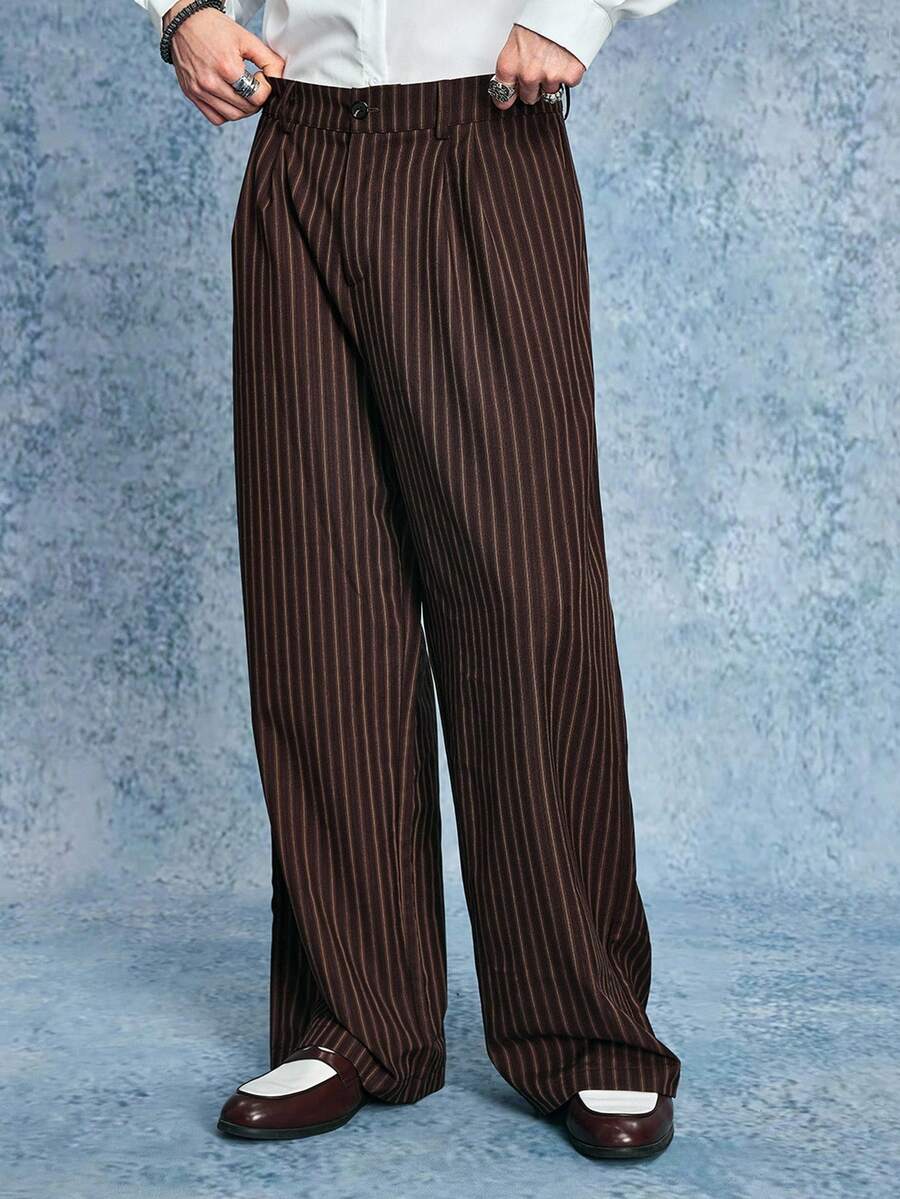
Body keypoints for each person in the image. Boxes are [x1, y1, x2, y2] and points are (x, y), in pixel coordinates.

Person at [133, 0, 683, 1161]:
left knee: (523, 598)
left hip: (485, 135)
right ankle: (355, 1019)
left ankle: (587, 1024)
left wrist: (577, 11)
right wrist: (180, 11)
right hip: (300, 144)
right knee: (318, 605)